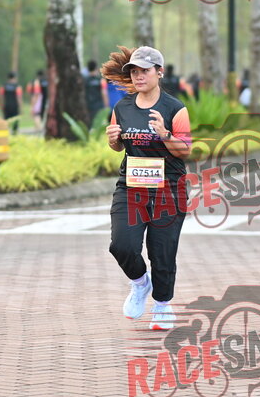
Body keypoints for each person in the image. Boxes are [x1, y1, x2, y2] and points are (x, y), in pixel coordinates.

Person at [102, 46, 192, 330]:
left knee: (162, 250)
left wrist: (165, 134)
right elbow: (118, 147)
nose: (138, 76)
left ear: (159, 72)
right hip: (131, 186)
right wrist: (113, 140)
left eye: (145, 71)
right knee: (122, 244)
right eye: (134, 72)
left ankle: (163, 304)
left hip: (169, 188)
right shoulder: (122, 108)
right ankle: (140, 283)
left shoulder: (174, 108)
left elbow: (185, 150)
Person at [84, 60, 108, 126]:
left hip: (89, 107)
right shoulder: (101, 80)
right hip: (99, 106)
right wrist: (106, 106)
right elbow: (104, 93)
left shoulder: (84, 81)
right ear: (96, 68)